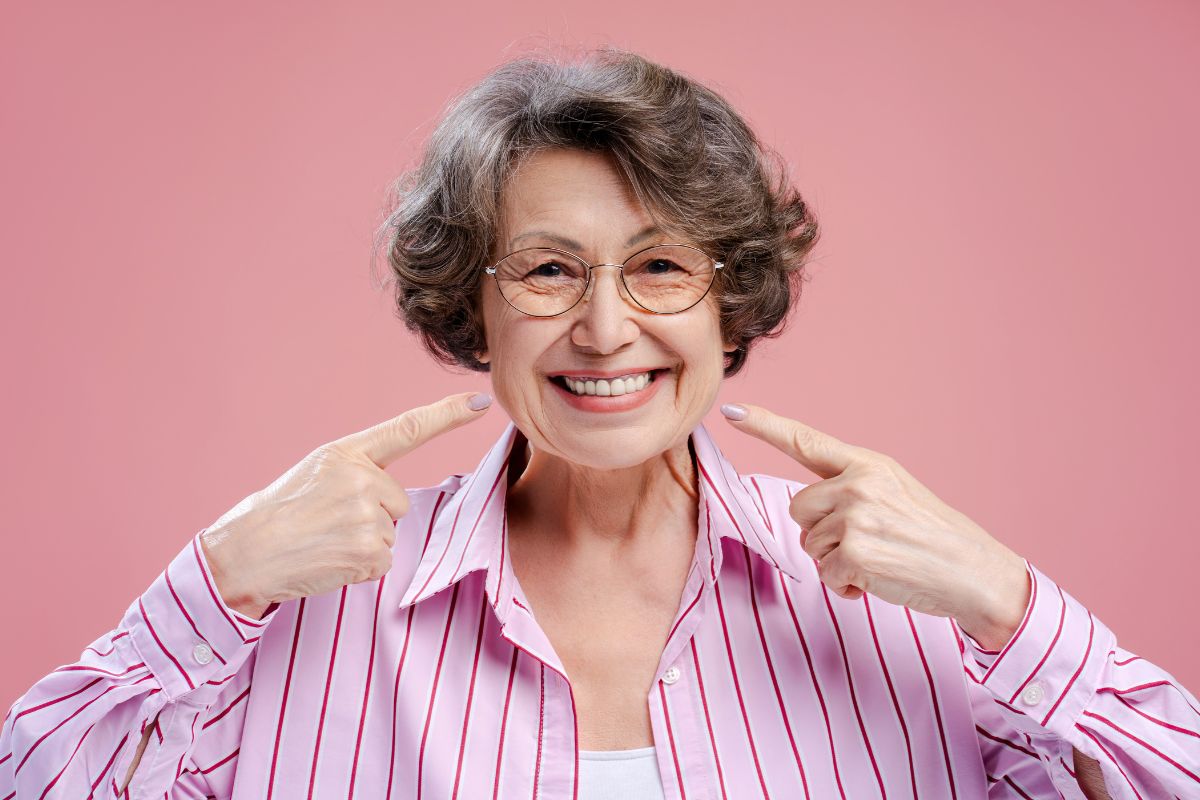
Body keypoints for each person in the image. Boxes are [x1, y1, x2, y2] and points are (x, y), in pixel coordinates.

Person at [2, 48, 1197, 800]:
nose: (607, 327)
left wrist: (1006, 599)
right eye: (547, 271)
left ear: (731, 299)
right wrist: (212, 583)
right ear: (472, 300)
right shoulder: (302, 608)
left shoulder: (908, 597)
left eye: (661, 266)